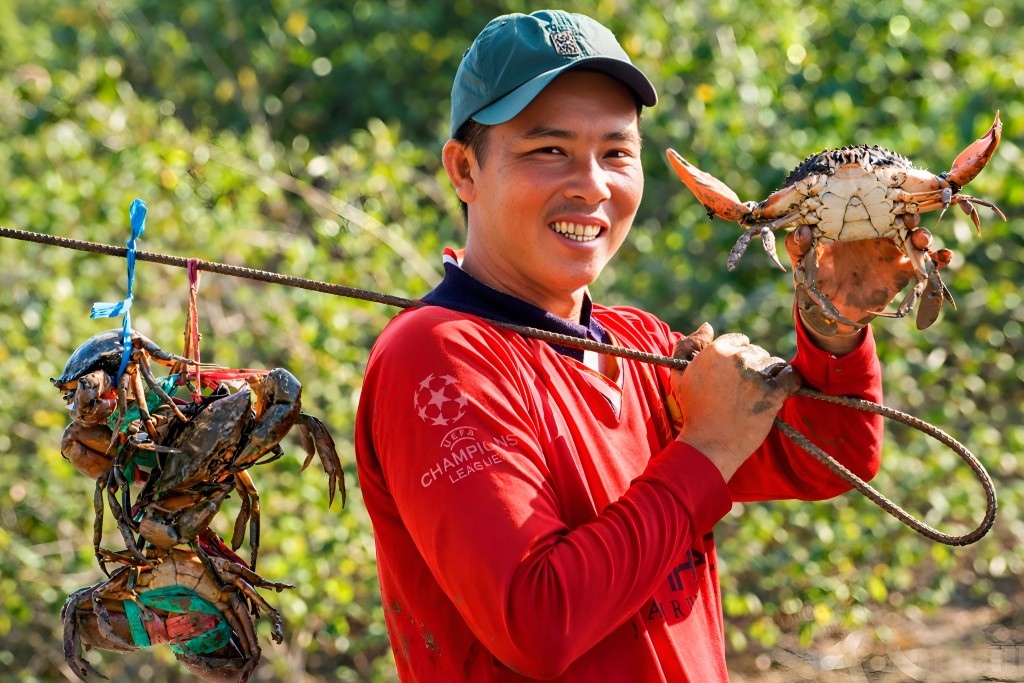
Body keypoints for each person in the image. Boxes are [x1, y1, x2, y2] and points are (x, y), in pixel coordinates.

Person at [355, 9, 945, 682]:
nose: (593, 184)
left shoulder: (637, 341)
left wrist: (833, 321)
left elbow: (832, 459)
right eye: (549, 150)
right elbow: (538, 621)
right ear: (464, 168)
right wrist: (709, 446)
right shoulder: (436, 355)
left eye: (616, 153)